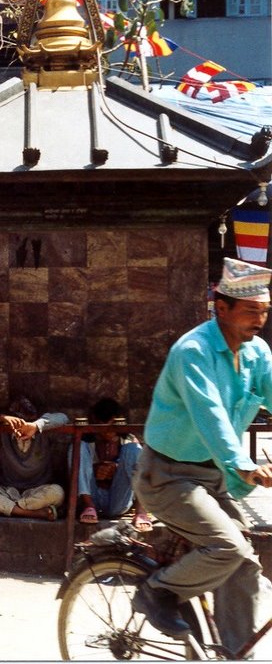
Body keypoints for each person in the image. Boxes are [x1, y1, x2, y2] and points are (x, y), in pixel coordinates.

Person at [130, 257, 272, 650]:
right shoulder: (193, 351)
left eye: (264, 311)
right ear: (220, 307)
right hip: (167, 476)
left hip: (212, 477)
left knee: (244, 566)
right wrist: (244, 465)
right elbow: (210, 415)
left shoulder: (257, 353)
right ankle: (155, 591)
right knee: (227, 547)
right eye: (251, 311)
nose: (259, 320)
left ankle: (235, 654)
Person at [0, 397, 67, 521]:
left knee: (57, 493)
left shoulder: (44, 434)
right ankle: (33, 513)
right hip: (9, 491)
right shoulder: (3, 434)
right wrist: (1, 418)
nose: (23, 427)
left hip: (37, 491)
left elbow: (63, 418)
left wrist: (36, 425)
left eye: (27, 422)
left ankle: (5, 509)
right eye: (18, 422)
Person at [70, 397, 150, 530]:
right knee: (78, 447)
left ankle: (141, 511)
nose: (110, 429)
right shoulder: (87, 442)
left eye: (114, 423)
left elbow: (138, 469)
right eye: (107, 424)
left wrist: (117, 468)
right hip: (92, 497)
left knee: (133, 449)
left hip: (118, 501)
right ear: (97, 421)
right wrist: (94, 470)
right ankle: (89, 506)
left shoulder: (128, 440)